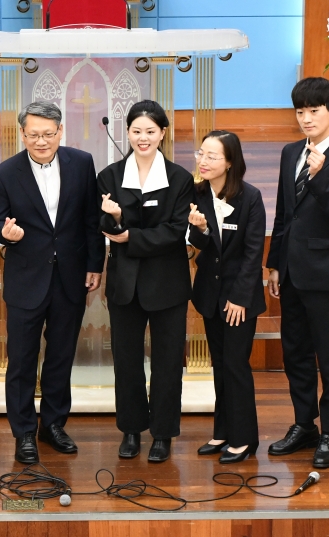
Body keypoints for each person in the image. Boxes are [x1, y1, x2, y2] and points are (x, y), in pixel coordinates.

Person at [0, 101, 105, 464]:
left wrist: (95, 264)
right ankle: (24, 431)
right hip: (26, 278)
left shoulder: (81, 163)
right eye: (33, 134)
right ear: (22, 134)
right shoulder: (4, 173)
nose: (41, 141)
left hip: (70, 276)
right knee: (21, 360)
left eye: (48, 134)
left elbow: (91, 219)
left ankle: (53, 425)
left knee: (60, 356)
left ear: (60, 132)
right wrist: (6, 233)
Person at [266, 77, 329, 469]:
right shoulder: (290, 152)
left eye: (314, 111)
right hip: (291, 271)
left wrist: (320, 176)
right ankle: (304, 424)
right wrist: (275, 263)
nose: (306, 118)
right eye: (300, 111)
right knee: (295, 353)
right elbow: (283, 213)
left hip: (323, 274)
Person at [96, 100, 194, 463]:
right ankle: (131, 430)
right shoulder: (109, 176)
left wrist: (128, 236)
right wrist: (115, 220)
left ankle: (163, 433)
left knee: (168, 363)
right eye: (136, 131)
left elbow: (175, 231)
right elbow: (102, 225)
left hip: (168, 284)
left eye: (150, 131)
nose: (143, 138)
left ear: (163, 133)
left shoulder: (180, 179)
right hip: (125, 284)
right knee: (127, 361)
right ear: (127, 132)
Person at [187, 130, 266, 464]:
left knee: (235, 365)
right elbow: (199, 246)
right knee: (219, 365)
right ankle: (223, 431)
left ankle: (244, 439)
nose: (203, 161)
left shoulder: (251, 197)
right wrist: (200, 229)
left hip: (238, 299)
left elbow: (253, 252)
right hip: (210, 294)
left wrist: (240, 298)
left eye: (212, 156)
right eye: (201, 154)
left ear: (230, 162)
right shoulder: (196, 194)